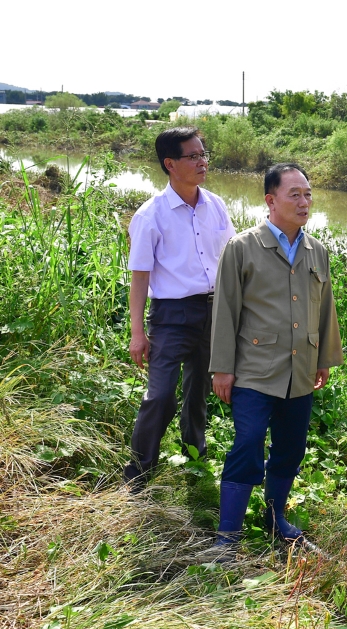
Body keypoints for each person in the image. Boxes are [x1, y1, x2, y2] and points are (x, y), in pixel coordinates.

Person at [208, 163, 343, 551]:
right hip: (254, 370)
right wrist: (222, 368)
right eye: (294, 194)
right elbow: (225, 310)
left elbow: (325, 307)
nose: (304, 202)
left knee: (291, 447)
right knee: (247, 443)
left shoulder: (316, 250)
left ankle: (275, 517)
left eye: (308, 194)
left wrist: (324, 359)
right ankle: (227, 535)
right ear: (271, 200)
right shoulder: (243, 247)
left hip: (300, 370)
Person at [124, 127, 235, 488]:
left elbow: (232, 260)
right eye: (193, 156)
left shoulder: (215, 205)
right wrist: (137, 333)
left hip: (214, 311)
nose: (202, 162)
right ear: (170, 164)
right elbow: (139, 277)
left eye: (204, 154)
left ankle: (195, 459)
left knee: (198, 393)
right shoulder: (150, 215)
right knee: (159, 396)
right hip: (171, 316)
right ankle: (139, 473)